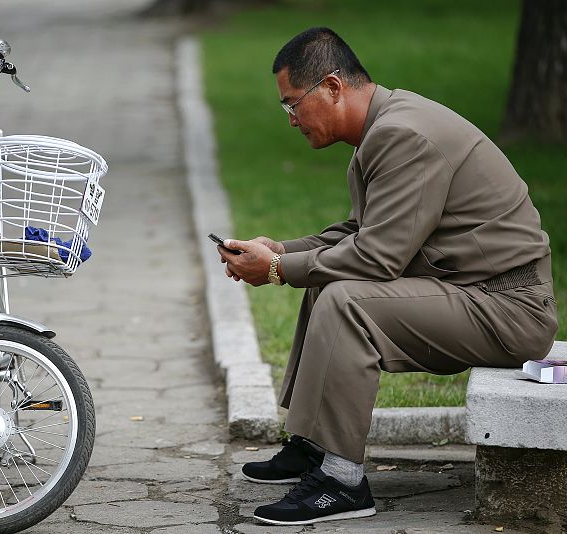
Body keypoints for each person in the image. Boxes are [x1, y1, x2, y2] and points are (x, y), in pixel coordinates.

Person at [216, 27, 559, 527]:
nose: (290, 119)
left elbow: (377, 259)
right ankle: (314, 446)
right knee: (328, 287)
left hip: (508, 308)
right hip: (470, 291)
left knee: (346, 301)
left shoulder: (403, 134)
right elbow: (360, 233)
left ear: (332, 87)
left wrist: (275, 270)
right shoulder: (384, 127)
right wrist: (282, 251)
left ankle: (342, 482)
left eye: (292, 104)